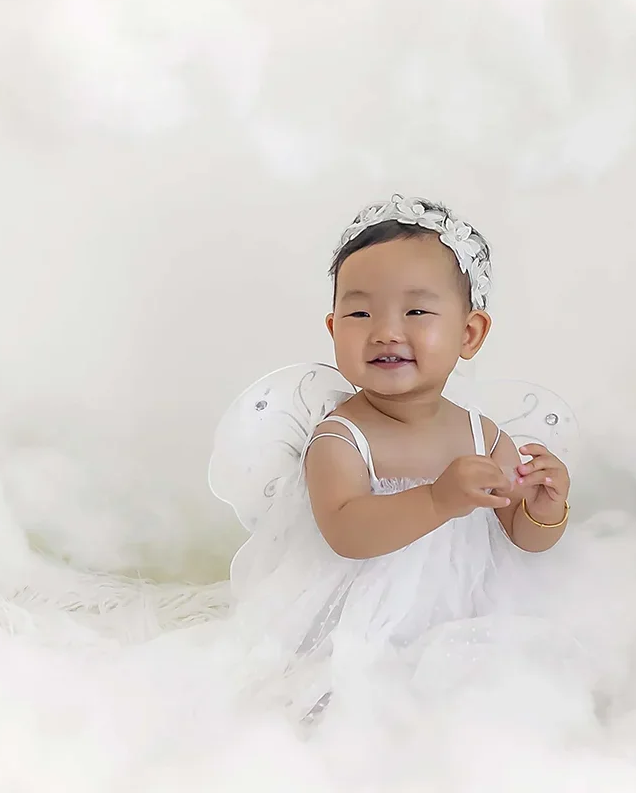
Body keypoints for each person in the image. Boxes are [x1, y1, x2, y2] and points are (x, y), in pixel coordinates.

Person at [215, 194, 575, 722]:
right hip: (357, 625)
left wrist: (544, 507)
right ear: (335, 329)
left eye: (416, 311)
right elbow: (348, 534)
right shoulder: (340, 439)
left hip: (463, 618)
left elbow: (525, 539)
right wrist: (436, 498)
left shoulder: (482, 434)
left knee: (494, 696)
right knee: (336, 706)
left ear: (469, 333)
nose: (386, 330)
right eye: (360, 312)